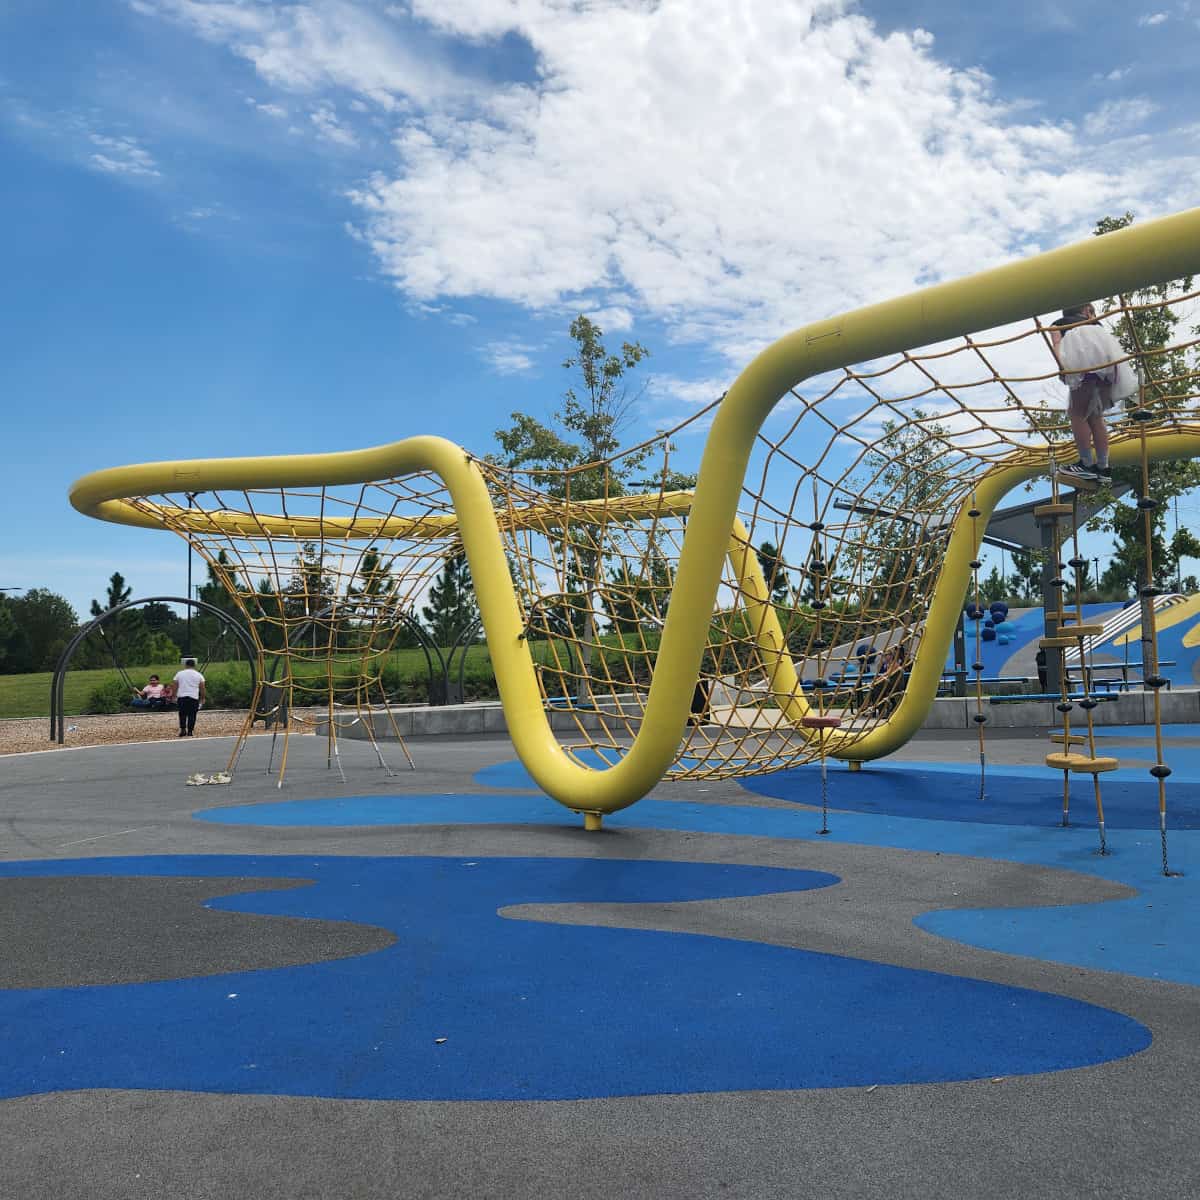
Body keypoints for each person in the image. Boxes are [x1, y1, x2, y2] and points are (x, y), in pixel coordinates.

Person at [1049, 303, 1139, 483]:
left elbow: (1057, 345)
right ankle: (1103, 467)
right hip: (1107, 368)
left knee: (1077, 413)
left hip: (1083, 368)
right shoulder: (1097, 326)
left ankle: (1086, 464)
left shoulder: (1059, 324)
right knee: (1095, 417)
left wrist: (1064, 369)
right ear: (1087, 312)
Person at [172, 658, 206, 737]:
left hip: (182, 697)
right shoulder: (199, 675)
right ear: (194, 665)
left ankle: (183, 730)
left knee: (182, 714)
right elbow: (202, 688)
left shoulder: (179, 673)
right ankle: (190, 731)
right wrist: (203, 698)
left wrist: (174, 695)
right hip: (193, 697)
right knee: (192, 714)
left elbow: (175, 685)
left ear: (186, 665)